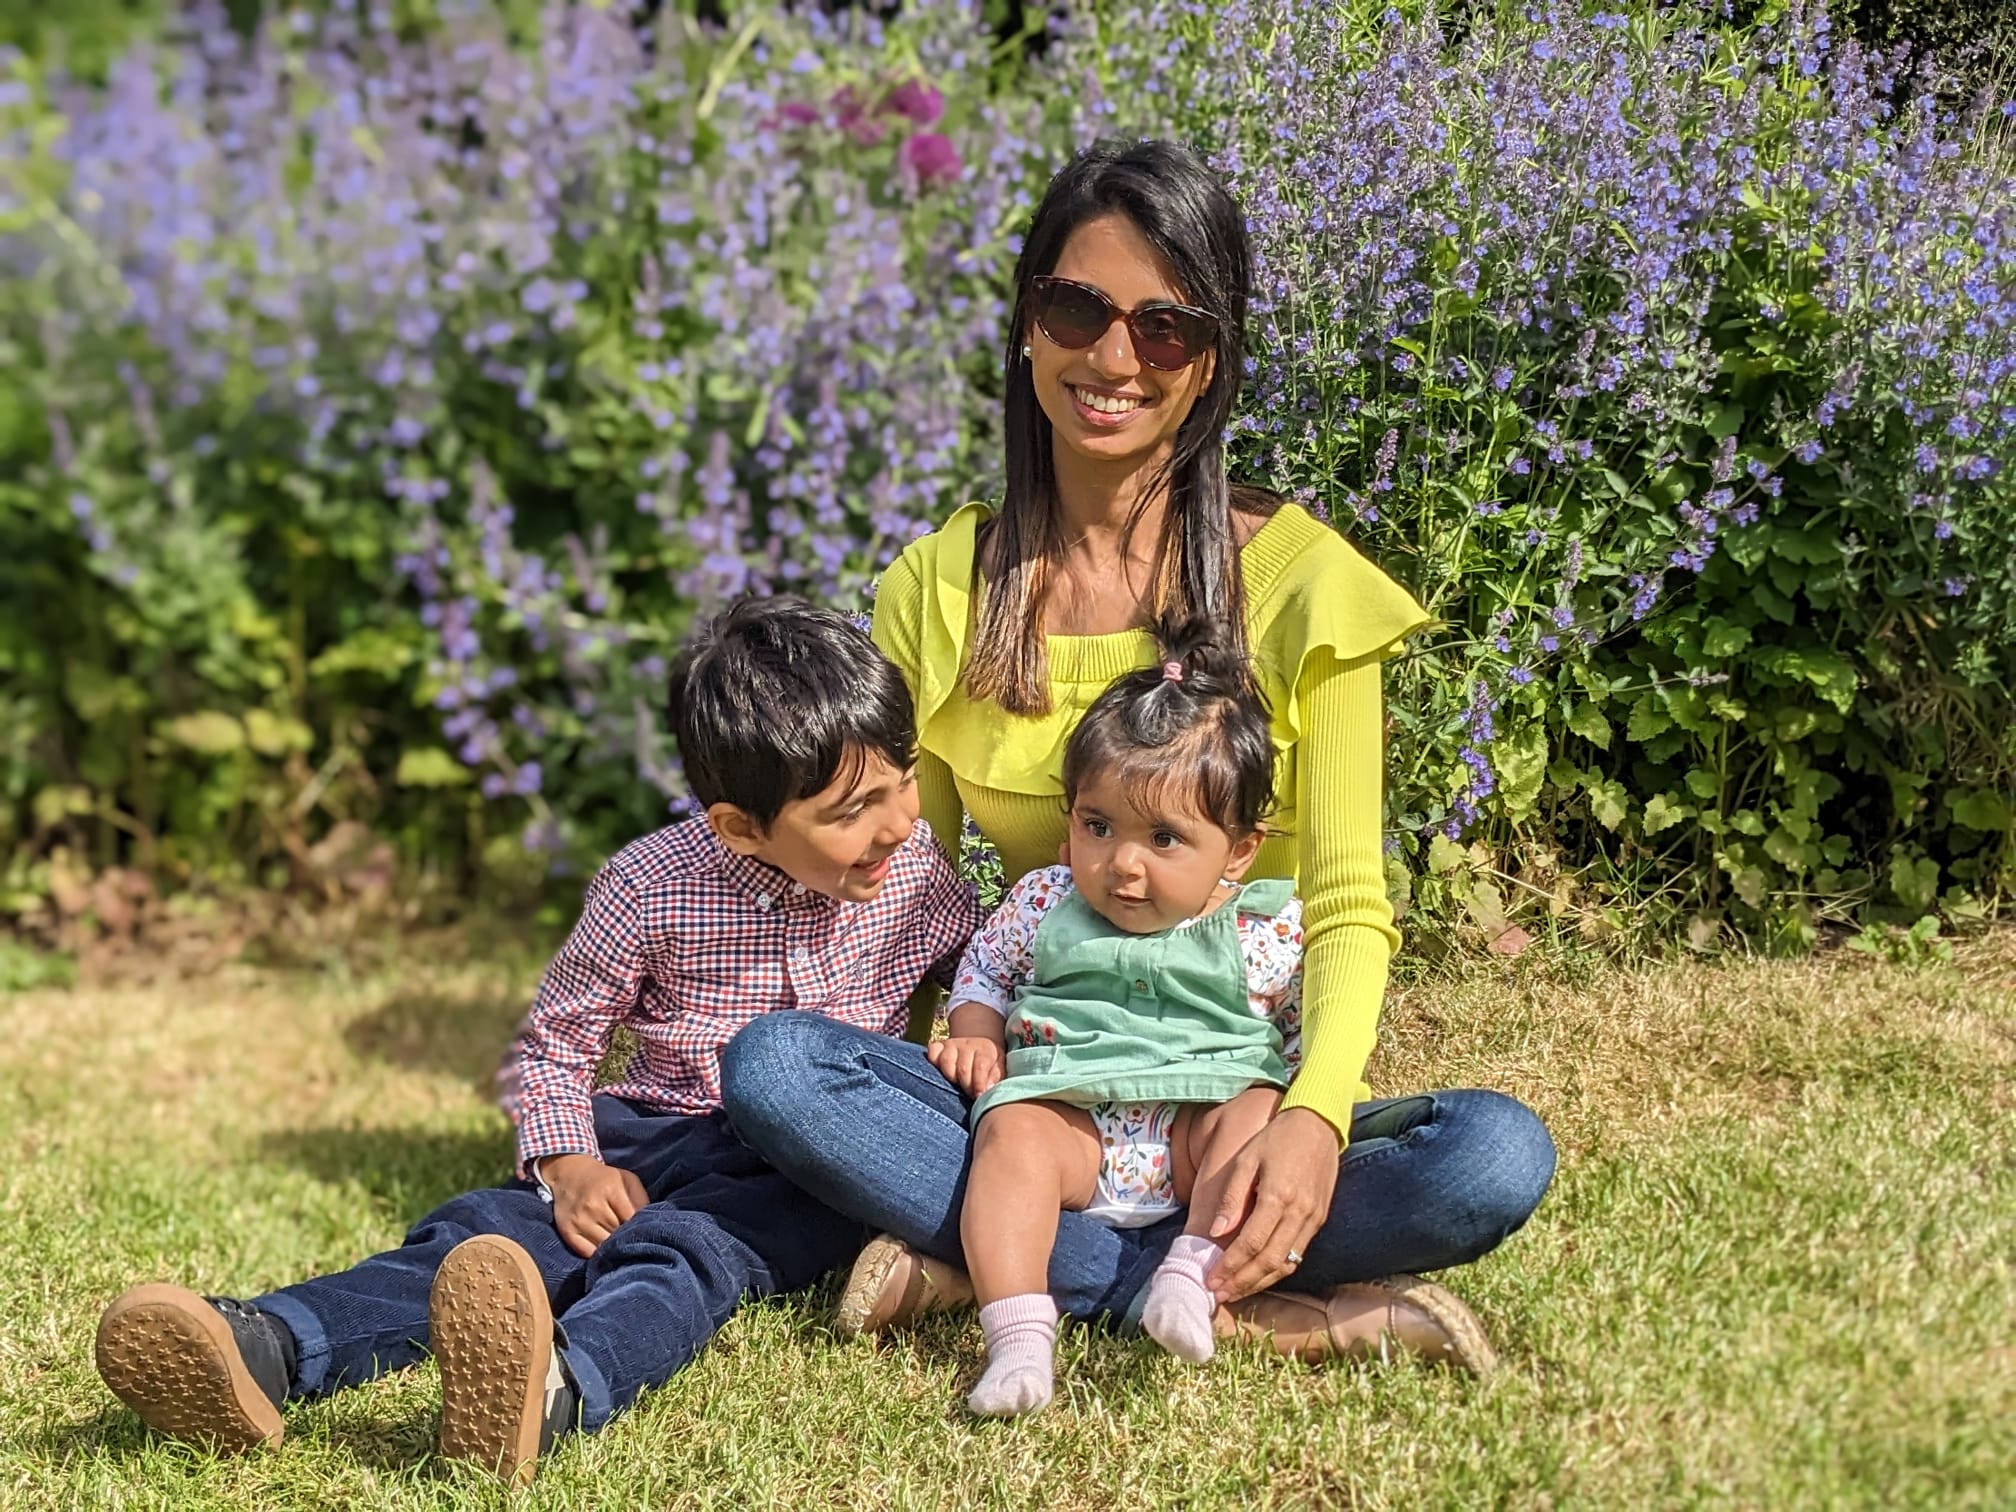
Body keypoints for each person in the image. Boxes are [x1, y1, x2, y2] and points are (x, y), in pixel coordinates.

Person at [718, 138, 1556, 1372]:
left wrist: (1316, 1119)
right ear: (1025, 327)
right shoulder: (941, 590)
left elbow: (1347, 907)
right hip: (1042, 1101)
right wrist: (940, 1047)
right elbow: (913, 886)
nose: (1113, 359)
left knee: (1491, 1157)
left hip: (1233, 1102)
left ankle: (1005, 1264)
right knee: (778, 1069)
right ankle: (1229, 1294)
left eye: (1165, 330)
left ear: (1211, 362)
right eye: (1079, 309)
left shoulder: (1302, 588)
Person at [91, 597, 981, 1484]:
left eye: (902, 779)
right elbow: (557, 1042)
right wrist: (571, 1165)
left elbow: (983, 971)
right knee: (489, 1233)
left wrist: (990, 1030)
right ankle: (271, 1344)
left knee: (683, 1255)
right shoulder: (648, 887)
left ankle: (556, 1387)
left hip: (794, 1167)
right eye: (854, 809)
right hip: (650, 1126)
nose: (899, 820)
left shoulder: (917, 872)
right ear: (740, 827)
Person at [939, 619, 1316, 1416]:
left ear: (1239, 852)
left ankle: (1189, 1273)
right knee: (1010, 1136)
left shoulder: (1261, 928)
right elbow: (985, 965)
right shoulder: (1045, 901)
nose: (1122, 863)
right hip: (1071, 1124)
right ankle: (1016, 1334)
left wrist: (1286, 1106)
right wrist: (975, 1026)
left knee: (1252, 1109)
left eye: (1165, 838)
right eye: (1097, 825)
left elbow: (1294, 1035)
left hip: (1191, 1135)